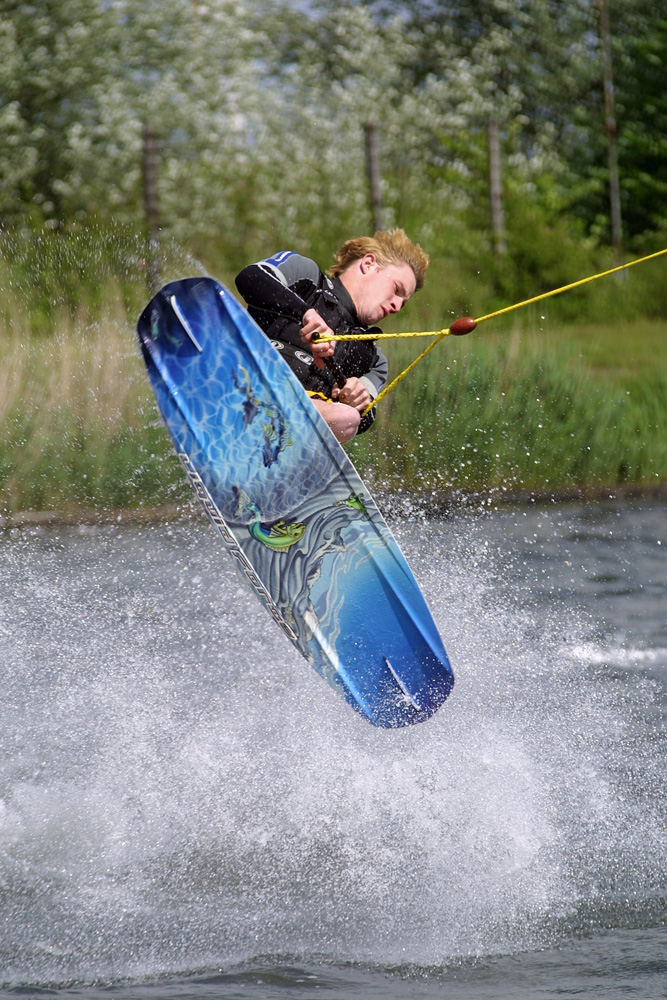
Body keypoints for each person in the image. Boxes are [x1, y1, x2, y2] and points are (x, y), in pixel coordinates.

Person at [235, 229, 429, 443]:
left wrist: (356, 399)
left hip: (291, 424)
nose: (397, 306)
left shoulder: (374, 360)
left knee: (347, 418)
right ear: (369, 263)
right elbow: (249, 278)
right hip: (244, 376)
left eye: (404, 302)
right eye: (397, 289)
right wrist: (305, 313)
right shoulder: (306, 276)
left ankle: (274, 436)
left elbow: (364, 421)